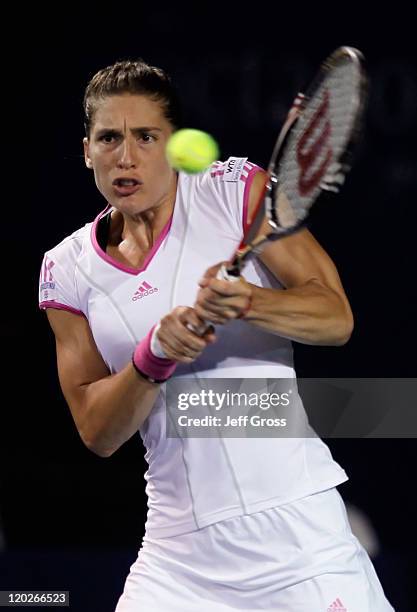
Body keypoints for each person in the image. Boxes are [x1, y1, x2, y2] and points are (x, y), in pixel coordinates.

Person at [39, 59, 394, 611]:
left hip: (298, 544)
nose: (125, 157)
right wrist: (152, 357)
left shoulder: (232, 194)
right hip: (176, 560)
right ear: (87, 149)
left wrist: (250, 302)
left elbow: (335, 317)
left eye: (146, 137)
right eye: (108, 138)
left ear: (173, 142)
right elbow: (97, 432)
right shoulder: (66, 269)